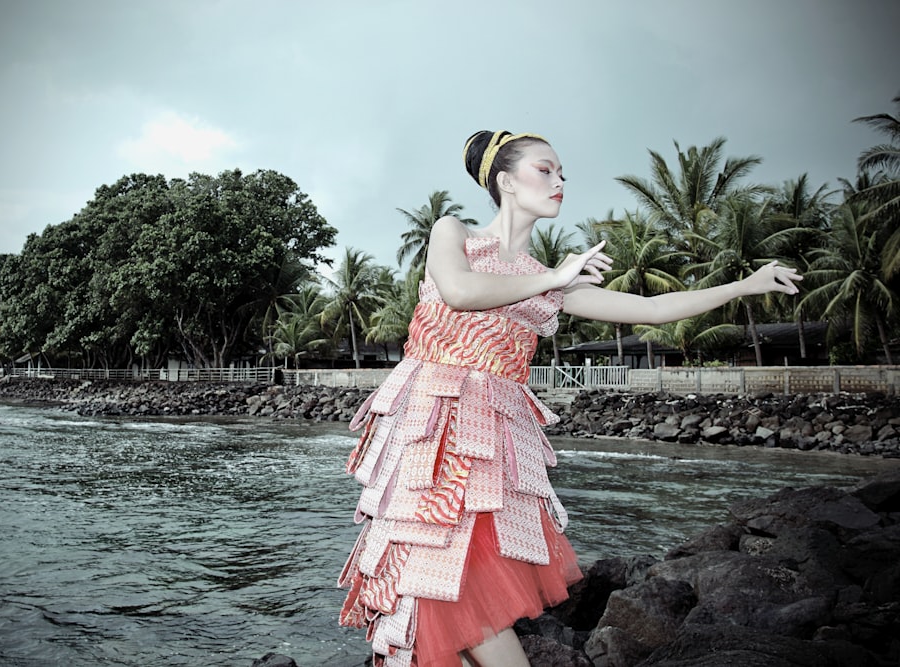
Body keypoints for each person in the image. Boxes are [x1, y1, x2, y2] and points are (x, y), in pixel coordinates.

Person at [338, 130, 801, 667]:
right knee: (426, 577)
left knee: (460, 578)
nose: (559, 182)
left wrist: (742, 286)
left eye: (563, 175)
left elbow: (650, 310)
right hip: (432, 421)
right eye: (545, 170)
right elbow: (461, 291)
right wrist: (555, 278)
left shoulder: (552, 278)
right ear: (505, 180)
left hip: (496, 436)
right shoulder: (454, 232)